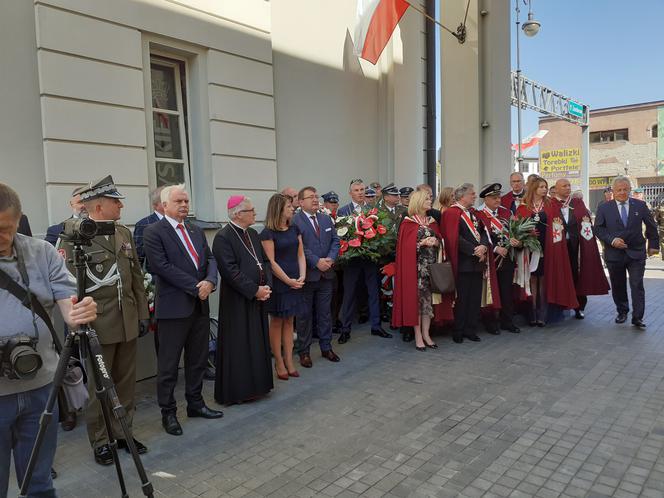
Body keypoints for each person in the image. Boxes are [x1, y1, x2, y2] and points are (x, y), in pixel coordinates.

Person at [0, 183, 97, 498]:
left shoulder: (40, 251)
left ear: (19, 221)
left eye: (5, 229)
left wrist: (77, 311)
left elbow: (66, 297)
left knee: (40, 484)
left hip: (42, 388)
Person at [58, 175, 150, 465]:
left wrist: (143, 314)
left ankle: (124, 432)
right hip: (98, 325)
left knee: (125, 383)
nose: (121, 205)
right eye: (115, 201)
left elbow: (135, 276)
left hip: (127, 320)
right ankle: (100, 439)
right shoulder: (73, 236)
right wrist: (79, 323)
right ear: (98, 206)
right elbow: (67, 285)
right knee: (100, 387)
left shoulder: (123, 233)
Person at [143, 184, 222, 436]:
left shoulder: (196, 230)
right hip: (173, 309)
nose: (185, 205)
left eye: (186, 201)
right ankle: (168, 413)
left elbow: (209, 259)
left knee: (197, 360)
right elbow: (160, 266)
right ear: (164, 205)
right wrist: (194, 286)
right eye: (179, 201)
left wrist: (210, 281)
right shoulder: (153, 232)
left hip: (199, 307)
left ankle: (195, 404)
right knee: (168, 366)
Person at [212, 196, 274, 404]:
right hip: (237, 301)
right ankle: (240, 391)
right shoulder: (223, 237)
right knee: (240, 345)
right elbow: (230, 272)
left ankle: (259, 386)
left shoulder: (253, 234)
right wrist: (254, 290)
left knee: (256, 342)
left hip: (258, 297)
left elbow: (265, 262)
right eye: (252, 210)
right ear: (238, 214)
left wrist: (266, 287)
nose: (255, 214)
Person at [595, 176, 660, 329]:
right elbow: (598, 228)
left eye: (625, 189)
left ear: (630, 190)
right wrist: (612, 240)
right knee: (618, 285)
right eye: (619, 190)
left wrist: (653, 245)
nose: (622, 193)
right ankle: (622, 311)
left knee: (637, 284)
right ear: (613, 191)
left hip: (636, 252)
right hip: (614, 253)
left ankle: (638, 317)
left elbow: (651, 226)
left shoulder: (640, 205)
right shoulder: (604, 207)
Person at [515, 175, 578, 326]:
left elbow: (558, 225)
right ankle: (532, 312)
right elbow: (517, 227)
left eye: (545, 187)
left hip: (547, 247)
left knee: (543, 279)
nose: (544, 190)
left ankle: (543, 313)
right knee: (531, 279)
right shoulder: (524, 206)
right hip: (529, 248)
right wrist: (526, 235)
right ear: (534, 189)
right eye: (541, 187)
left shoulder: (550, 205)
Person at [336, 179, 391, 343]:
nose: (360, 192)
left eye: (362, 190)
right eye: (357, 190)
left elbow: (379, 232)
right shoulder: (343, 211)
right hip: (351, 259)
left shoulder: (372, 210)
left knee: (373, 292)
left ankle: (376, 326)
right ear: (350, 193)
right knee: (349, 294)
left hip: (369, 258)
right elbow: (341, 234)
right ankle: (345, 329)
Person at [293, 186, 341, 368]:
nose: (315, 200)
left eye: (316, 196)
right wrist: (316, 261)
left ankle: (326, 347)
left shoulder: (325, 217)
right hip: (307, 276)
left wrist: (330, 258)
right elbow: (300, 247)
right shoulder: (295, 221)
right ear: (300, 201)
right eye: (310, 197)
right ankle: (304, 352)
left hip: (326, 275)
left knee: (325, 314)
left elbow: (335, 240)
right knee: (304, 316)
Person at [260, 193, 306, 380]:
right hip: (280, 283)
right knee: (278, 321)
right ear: (278, 209)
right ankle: (278, 361)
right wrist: (288, 280)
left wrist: (302, 275)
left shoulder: (294, 228)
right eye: (289, 206)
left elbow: (300, 254)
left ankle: (289, 360)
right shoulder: (267, 233)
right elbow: (270, 262)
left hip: (296, 280)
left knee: (290, 321)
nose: (292, 208)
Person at [392, 190, 442, 350]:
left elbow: (441, 240)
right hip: (415, 270)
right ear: (419, 201)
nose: (430, 201)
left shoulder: (432, 221)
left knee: (427, 304)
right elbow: (404, 248)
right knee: (416, 305)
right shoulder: (408, 223)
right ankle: (418, 336)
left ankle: (427, 334)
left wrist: (436, 242)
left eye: (430, 198)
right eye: (427, 199)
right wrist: (421, 243)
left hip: (431, 269)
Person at [553, 179, 609, 319]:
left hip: (575, 246)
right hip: (557, 247)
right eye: (564, 186)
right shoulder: (550, 204)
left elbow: (586, 220)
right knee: (561, 275)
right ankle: (561, 305)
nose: (567, 188)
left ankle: (579, 307)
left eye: (569, 186)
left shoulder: (577, 203)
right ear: (557, 189)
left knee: (577, 275)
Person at [440, 184, 490, 343]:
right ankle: (458, 330)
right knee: (462, 299)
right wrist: (474, 250)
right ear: (462, 196)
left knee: (475, 299)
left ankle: (471, 329)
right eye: (472, 194)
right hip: (463, 263)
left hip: (477, 262)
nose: (475, 196)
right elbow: (453, 238)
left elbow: (483, 231)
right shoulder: (451, 213)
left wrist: (483, 246)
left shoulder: (473, 213)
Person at [476, 183, 520, 333]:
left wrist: (514, 240)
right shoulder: (479, 214)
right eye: (494, 198)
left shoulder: (506, 213)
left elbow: (514, 231)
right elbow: (479, 237)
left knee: (506, 291)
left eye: (499, 197)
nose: (497, 200)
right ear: (486, 199)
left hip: (506, 258)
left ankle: (507, 321)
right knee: (490, 291)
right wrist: (495, 248)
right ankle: (490, 323)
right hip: (490, 259)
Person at [133, 186, 165, 269]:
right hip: (156, 277)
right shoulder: (144, 224)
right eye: (165, 201)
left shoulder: (182, 222)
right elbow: (138, 256)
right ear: (155, 205)